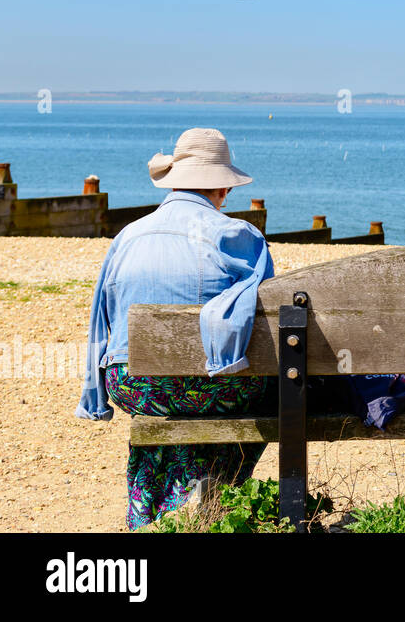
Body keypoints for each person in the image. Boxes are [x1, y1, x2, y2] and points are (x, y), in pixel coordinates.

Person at [75, 128, 274, 530]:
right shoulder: (238, 235)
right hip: (213, 384)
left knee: (173, 396)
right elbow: (266, 321)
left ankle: (156, 511)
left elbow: (101, 321)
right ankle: (217, 499)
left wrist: (95, 399)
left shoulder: (126, 237)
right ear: (221, 187)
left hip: (135, 385)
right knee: (255, 386)